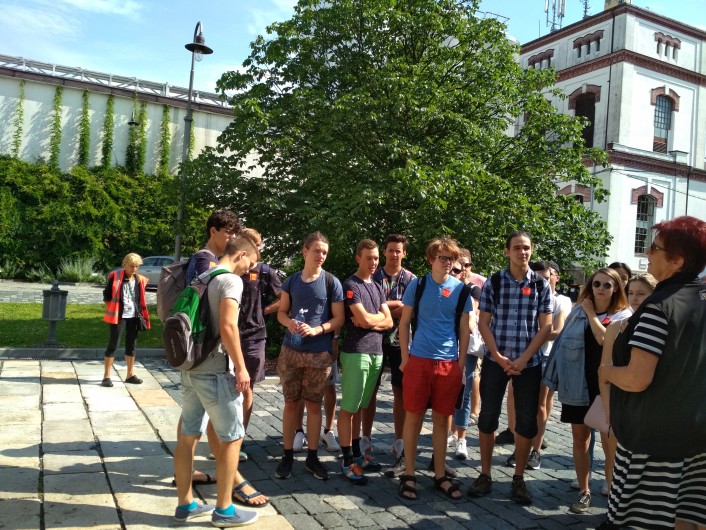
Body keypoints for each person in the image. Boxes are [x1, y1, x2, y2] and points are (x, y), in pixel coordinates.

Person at [598, 216, 706, 530]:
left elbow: (637, 378)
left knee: (642, 520)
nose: (647, 252)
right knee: (688, 516)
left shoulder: (659, 307)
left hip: (654, 439)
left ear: (678, 261)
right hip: (698, 432)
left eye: (655, 248)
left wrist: (607, 372)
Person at [173, 235, 264, 527]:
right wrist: (242, 368)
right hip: (215, 371)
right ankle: (224, 510)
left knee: (187, 435)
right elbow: (228, 326)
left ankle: (186, 504)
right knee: (232, 439)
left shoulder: (202, 276)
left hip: (191, 368)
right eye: (250, 262)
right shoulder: (231, 281)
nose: (249, 269)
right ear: (240, 255)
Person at [468, 231, 552, 506]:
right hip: (496, 361)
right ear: (507, 251)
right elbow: (483, 322)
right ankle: (485, 474)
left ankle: (518, 478)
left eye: (526, 247)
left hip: (529, 363)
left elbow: (546, 327)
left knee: (526, 422)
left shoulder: (541, 284)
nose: (522, 252)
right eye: (516, 247)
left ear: (532, 250)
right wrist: (497, 355)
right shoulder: (494, 281)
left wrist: (525, 358)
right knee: (487, 418)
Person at [543, 267, 630, 514]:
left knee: (609, 442)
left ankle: (611, 488)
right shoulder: (577, 312)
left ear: (616, 288)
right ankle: (584, 490)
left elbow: (604, 340)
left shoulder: (623, 315)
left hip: (607, 387)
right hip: (577, 383)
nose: (600, 289)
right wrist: (550, 379)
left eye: (607, 285)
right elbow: (561, 346)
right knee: (580, 439)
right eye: (596, 284)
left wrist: (591, 314)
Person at [396, 237, 472, 501]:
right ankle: (409, 473)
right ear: (431, 260)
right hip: (419, 360)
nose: (448, 263)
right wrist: (405, 358)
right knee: (413, 417)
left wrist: (460, 363)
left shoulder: (461, 290)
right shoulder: (417, 286)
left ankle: (440, 474)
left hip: (448, 364)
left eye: (451, 258)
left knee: (442, 420)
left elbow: (464, 329)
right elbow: (404, 323)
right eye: (443, 258)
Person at [275, 232, 344, 481]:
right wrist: (289, 323)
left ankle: (312, 457)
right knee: (291, 403)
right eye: (317, 250)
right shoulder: (291, 281)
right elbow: (281, 312)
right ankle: (287, 456)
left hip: (318, 353)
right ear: (305, 251)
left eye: (324, 252)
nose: (321, 255)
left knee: (314, 405)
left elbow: (339, 318)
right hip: (291, 351)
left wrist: (318, 329)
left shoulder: (331, 282)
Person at [338, 239, 393, 484]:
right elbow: (363, 318)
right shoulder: (351, 285)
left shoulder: (378, 286)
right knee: (349, 408)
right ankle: (347, 460)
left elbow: (388, 322)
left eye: (376, 258)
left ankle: (358, 455)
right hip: (356, 352)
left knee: (361, 406)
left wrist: (372, 322)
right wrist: (374, 319)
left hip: (376, 352)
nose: (373, 262)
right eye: (369, 258)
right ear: (358, 258)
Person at [598, 273, 656, 495]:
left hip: (648, 404)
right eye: (631, 293)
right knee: (614, 459)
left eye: (641, 293)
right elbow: (603, 371)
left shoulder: (663, 327)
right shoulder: (616, 327)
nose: (634, 298)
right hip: (619, 403)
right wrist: (608, 408)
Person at [367, 234, 415, 466]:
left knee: (400, 392)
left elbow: (411, 311)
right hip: (373, 339)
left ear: (404, 253)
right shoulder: (373, 275)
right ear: (384, 251)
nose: (394, 254)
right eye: (390, 250)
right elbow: (368, 307)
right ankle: (365, 438)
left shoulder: (412, 280)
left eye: (398, 250)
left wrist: (384, 308)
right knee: (370, 391)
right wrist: (396, 307)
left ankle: (399, 440)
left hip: (401, 342)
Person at [238, 228, 282, 460]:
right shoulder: (231, 267)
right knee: (225, 389)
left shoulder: (265, 272)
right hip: (228, 336)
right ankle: (222, 437)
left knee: (247, 388)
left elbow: (284, 298)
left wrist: (264, 311)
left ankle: (239, 438)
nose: (255, 247)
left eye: (257, 244)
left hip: (254, 337)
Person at [528, 260, 572, 467]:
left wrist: (530, 337)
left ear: (556, 278)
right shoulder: (528, 295)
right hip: (524, 355)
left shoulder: (561, 301)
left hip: (546, 355)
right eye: (538, 279)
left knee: (540, 403)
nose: (542, 283)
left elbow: (557, 331)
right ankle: (523, 444)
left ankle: (535, 450)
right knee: (521, 403)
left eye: (546, 278)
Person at [449, 254, 483, 461]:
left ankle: (461, 438)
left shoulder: (471, 291)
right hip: (443, 347)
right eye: (453, 268)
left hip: (466, 349)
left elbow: (471, 324)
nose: (457, 272)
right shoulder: (439, 289)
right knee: (445, 393)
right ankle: (450, 432)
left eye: (461, 268)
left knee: (464, 393)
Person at [101, 252, 150, 387]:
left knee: (131, 345)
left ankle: (130, 375)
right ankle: (106, 376)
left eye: (137, 266)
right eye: (132, 266)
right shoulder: (115, 277)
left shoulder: (139, 279)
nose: (134, 269)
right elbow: (107, 296)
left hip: (134, 316)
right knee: (113, 345)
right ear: (125, 265)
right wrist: (114, 308)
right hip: (119, 316)